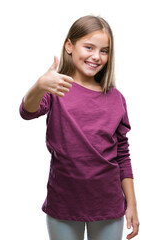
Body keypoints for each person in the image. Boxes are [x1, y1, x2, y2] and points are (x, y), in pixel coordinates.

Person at [19, 15, 139, 240]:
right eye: (89, 47)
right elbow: (27, 111)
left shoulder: (116, 98)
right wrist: (39, 85)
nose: (96, 56)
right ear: (69, 46)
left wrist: (131, 203)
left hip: (108, 205)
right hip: (63, 202)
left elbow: (122, 154)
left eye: (104, 50)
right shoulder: (57, 87)